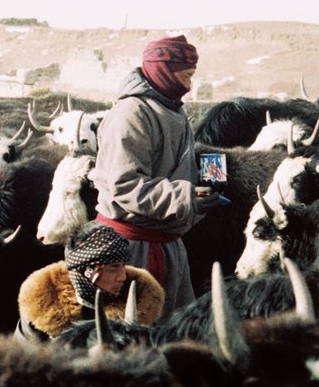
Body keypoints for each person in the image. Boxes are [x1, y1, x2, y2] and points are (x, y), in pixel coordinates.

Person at [88, 34, 220, 318]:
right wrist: (186, 197)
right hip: (130, 251)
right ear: (165, 71)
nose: (190, 83)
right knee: (132, 335)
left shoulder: (174, 111)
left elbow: (179, 173)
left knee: (174, 331)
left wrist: (203, 195)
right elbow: (125, 186)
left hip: (166, 244)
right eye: (186, 75)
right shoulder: (131, 113)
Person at [15, 221, 164, 342]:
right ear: (87, 271)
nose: (123, 277)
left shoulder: (141, 304)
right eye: (113, 268)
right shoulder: (41, 309)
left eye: (123, 266)